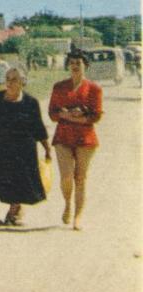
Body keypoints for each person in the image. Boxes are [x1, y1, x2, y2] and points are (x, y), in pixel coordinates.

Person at [0, 67, 52, 225]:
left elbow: (38, 128)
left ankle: (14, 210)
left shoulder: (31, 103)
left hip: (24, 149)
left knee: (20, 180)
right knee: (6, 180)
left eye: (14, 79)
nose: (9, 82)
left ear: (22, 82)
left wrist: (47, 149)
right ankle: (15, 209)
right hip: (2, 146)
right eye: (7, 79)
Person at [48, 48, 103, 230]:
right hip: (63, 135)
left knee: (80, 177)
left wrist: (72, 116)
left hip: (85, 137)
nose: (75, 66)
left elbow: (96, 116)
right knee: (66, 177)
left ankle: (78, 215)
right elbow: (52, 113)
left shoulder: (94, 89)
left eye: (78, 63)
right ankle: (67, 204)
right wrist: (69, 116)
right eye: (71, 63)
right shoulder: (59, 87)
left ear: (85, 65)